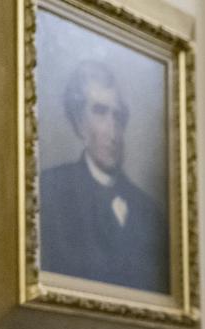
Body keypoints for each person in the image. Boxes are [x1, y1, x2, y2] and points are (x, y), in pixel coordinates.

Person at [40, 60, 169, 293]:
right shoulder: (48, 193)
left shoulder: (151, 213)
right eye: (100, 112)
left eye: (118, 116)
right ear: (79, 123)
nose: (113, 131)